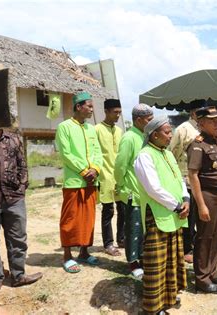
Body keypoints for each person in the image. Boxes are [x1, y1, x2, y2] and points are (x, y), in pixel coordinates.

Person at [134, 116, 189, 315]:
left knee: (171, 258)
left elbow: (179, 178)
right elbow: (153, 189)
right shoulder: (145, 156)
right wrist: (176, 206)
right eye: (167, 132)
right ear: (154, 135)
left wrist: (185, 199)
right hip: (157, 216)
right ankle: (153, 307)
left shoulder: (168, 154)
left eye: (170, 131)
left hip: (174, 214)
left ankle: (169, 297)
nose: (170, 135)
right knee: (157, 263)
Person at [0, 128, 43, 297]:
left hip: (14, 198)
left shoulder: (13, 138)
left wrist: (21, 188)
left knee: (18, 237)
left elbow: (22, 164)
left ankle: (18, 275)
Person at [55, 91, 103, 273]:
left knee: (88, 219)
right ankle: (67, 255)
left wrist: (95, 169)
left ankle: (84, 251)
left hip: (91, 181)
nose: (92, 110)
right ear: (78, 107)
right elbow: (66, 154)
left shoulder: (91, 129)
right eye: (89, 106)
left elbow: (98, 152)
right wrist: (84, 171)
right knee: (70, 219)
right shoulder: (64, 127)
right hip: (74, 181)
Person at [188, 106, 217, 294]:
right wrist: (201, 205)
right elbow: (193, 175)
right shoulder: (197, 145)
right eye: (212, 120)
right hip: (207, 195)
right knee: (205, 237)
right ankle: (202, 279)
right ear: (201, 123)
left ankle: (212, 271)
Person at [114, 103, 153, 278]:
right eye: (149, 120)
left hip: (146, 194)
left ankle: (143, 258)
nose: (151, 123)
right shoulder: (129, 137)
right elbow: (121, 165)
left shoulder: (146, 136)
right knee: (133, 229)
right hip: (133, 192)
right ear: (138, 120)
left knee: (145, 229)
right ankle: (132, 263)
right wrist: (122, 186)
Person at [169, 99, 204, 263]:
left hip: (203, 178)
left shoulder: (205, 127)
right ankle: (187, 248)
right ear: (193, 112)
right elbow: (172, 152)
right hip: (186, 177)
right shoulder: (183, 129)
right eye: (200, 111)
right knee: (188, 216)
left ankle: (200, 244)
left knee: (200, 213)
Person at [95, 98, 124, 256]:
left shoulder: (119, 131)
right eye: (115, 112)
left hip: (119, 176)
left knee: (123, 209)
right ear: (106, 111)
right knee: (108, 211)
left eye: (119, 112)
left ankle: (121, 238)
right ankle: (108, 244)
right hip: (104, 176)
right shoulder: (97, 129)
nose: (118, 115)